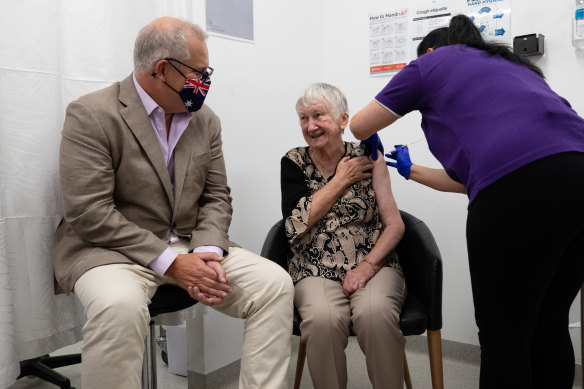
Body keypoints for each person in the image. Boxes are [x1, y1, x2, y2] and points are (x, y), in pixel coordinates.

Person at [51, 16, 294, 389]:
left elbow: (216, 195)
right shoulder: (92, 114)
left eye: (207, 72)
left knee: (274, 284)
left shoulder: (205, 120)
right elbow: (89, 213)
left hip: (188, 243)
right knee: (119, 307)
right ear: (162, 70)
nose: (205, 83)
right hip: (110, 249)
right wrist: (173, 264)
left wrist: (209, 249)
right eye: (198, 72)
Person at [350, 14, 584, 389]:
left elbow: (359, 125)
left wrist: (372, 135)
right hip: (576, 176)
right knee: (549, 321)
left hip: (520, 190)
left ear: (428, 51)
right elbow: (476, 181)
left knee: (504, 335)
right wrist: (410, 170)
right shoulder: (510, 66)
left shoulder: (430, 62)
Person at [280, 83, 406, 389]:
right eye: (303, 118)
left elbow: (395, 225)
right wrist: (341, 180)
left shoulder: (369, 156)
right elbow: (295, 224)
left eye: (318, 115)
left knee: (375, 315)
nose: (310, 126)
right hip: (313, 267)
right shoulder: (293, 162)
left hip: (374, 264)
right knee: (322, 320)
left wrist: (368, 267)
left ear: (342, 120)